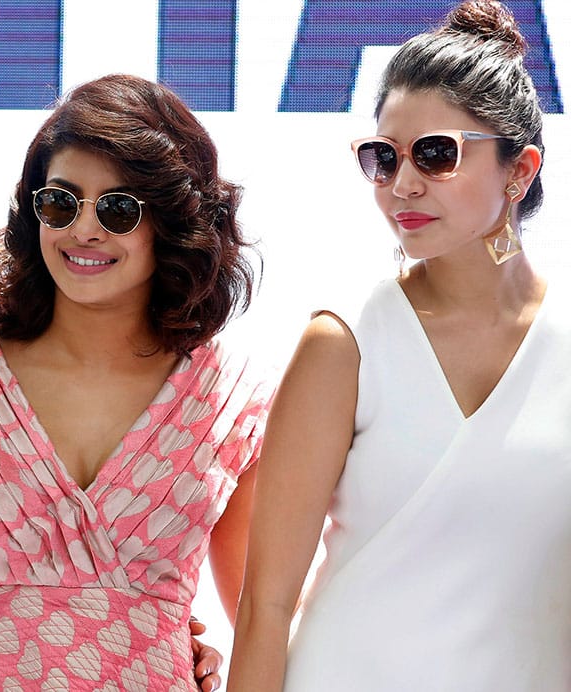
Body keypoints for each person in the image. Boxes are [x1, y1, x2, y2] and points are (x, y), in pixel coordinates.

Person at [0, 73, 274, 691]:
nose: (83, 230)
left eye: (118, 209)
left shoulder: (231, 404)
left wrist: (167, 636)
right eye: (60, 202)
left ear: (172, 223)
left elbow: (262, 619)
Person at [227, 1, 569, 690]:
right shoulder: (343, 343)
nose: (402, 184)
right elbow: (265, 607)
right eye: (382, 158)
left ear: (519, 170)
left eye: (436, 154)